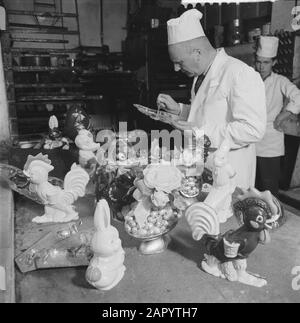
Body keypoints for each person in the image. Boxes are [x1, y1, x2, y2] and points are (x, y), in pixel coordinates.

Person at [157, 9, 266, 189]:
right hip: (204, 167)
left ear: (197, 53)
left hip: (230, 172)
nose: (176, 69)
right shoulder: (200, 75)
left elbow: (253, 129)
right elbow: (208, 113)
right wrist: (179, 110)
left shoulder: (239, 73)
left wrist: (201, 132)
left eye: (179, 62)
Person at [254, 35, 300, 197]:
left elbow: (298, 97)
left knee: (268, 188)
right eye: (258, 61)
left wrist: (284, 114)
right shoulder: (249, 80)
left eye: (266, 62)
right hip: (249, 140)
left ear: (274, 62)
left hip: (270, 142)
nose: (261, 66)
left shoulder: (280, 81)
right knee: (250, 186)